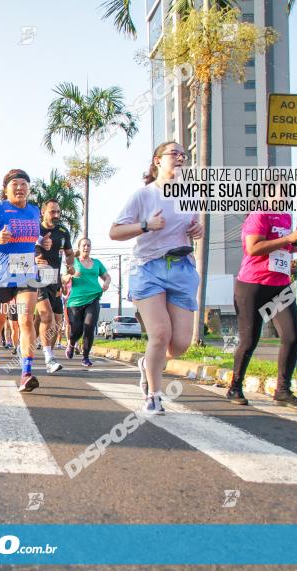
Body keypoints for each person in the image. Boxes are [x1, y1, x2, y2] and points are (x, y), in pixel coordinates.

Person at [109, 142, 204, 414]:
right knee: (160, 333)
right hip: (148, 268)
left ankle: (146, 363)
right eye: (173, 154)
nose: (180, 158)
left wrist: (197, 229)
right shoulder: (143, 195)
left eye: (183, 155)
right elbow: (114, 232)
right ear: (157, 161)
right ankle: (153, 394)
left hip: (182, 268)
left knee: (181, 344)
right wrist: (145, 225)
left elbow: (192, 228)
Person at [226, 211, 297, 408]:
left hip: (280, 285)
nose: (286, 197)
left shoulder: (286, 217)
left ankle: (282, 390)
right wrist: (289, 238)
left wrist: (295, 244)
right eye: (282, 191)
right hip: (252, 286)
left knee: (292, 336)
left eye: (288, 192)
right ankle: (235, 387)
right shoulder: (259, 215)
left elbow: (283, 247)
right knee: (249, 340)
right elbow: (253, 248)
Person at [0, 169, 42, 391]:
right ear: (6, 189)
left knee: (26, 321)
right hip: (1, 273)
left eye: (24, 184)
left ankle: (26, 372)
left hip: (26, 272)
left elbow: (34, 238)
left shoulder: (34, 211)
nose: (20, 187)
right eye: (15, 184)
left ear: (29, 188)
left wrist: (43, 245)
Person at [34, 199, 75, 373]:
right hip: (35, 277)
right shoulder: (34, 229)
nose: (56, 215)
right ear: (43, 212)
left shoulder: (63, 231)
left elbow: (69, 253)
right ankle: (49, 358)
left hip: (54, 279)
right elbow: (20, 252)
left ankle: (34, 345)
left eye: (58, 211)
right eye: (52, 212)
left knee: (54, 322)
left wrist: (70, 265)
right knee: (47, 316)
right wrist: (34, 259)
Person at [63, 238, 111, 367]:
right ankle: (71, 343)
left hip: (93, 298)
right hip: (75, 302)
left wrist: (106, 283)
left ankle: (85, 356)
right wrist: (71, 276)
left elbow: (107, 276)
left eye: (88, 245)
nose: (86, 247)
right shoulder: (73, 263)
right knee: (77, 330)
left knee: (89, 326)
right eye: (84, 245)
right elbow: (63, 278)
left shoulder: (97, 263)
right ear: (79, 248)